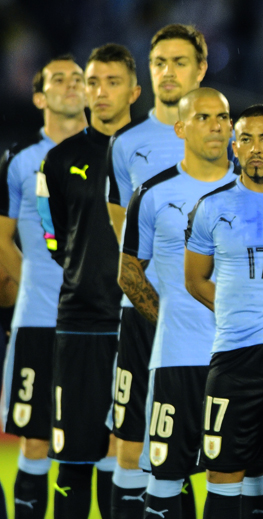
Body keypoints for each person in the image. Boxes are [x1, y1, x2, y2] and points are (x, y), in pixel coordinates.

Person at [118, 87, 238, 519]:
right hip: (176, 357)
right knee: (166, 474)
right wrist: (168, 317)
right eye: (203, 117)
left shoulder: (258, 188)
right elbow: (129, 272)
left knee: (234, 474)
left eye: (222, 117)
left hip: (236, 357)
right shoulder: (150, 193)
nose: (215, 126)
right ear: (181, 128)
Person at [104, 25, 208, 517]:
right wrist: (155, 310)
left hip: (209, 319)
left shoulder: (225, 138)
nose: (168, 71)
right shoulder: (126, 144)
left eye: (180, 61)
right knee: (130, 440)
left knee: (221, 450)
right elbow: (122, 238)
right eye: (160, 62)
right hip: (144, 314)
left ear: (201, 69)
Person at [37, 43, 141, 519]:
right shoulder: (58, 161)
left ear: (134, 91)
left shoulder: (156, 157)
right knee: (76, 459)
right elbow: (53, 238)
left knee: (142, 457)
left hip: (143, 323)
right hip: (81, 322)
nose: (98, 92)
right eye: (93, 82)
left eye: (112, 82)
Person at [185, 104, 263, 519]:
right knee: (222, 469)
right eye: (247, 139)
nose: (256, 149)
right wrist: (238, 310)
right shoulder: (211, 207)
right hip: (235, 351)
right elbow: (195, 278)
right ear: (234, 147)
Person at [0, 54, 86, 519]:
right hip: (36, 318)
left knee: (93, 437)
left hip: (94, 322)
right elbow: (0, 241)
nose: (71, 85)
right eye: (59, 79)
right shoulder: (18, 161)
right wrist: (37, 277)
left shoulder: (108, 156)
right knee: (34, 439)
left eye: (78, 78)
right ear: (39, 97)